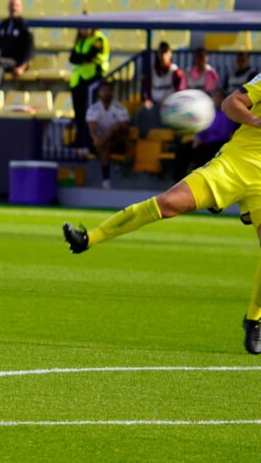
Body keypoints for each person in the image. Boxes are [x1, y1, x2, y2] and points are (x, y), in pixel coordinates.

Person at [62, 76, 261, 355]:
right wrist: (255, 121)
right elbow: (231, 104)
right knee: (167, 204)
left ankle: (254, 319)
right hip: (236, 164)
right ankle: (89, 238)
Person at [173, 88, 237, 180]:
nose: (215, 99)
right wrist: (198, 137)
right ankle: (178, 179)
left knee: (203, 153)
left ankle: (198, 179)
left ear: (224, 98)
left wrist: (205, 141)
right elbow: (202, 127)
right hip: (203, 142)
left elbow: (224, 134)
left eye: (218, 97)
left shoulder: (227, 114)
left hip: (217, 143)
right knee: (182, 149)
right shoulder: (209, 112)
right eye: (214, 96)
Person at [68, 25, 109, 151]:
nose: (83, 29)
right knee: (79, 114)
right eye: (81, 26)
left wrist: (82, 58)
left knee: (90, 113)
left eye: (86, 26)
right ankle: (79, 141)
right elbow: (73, 58)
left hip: (92, 80)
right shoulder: (80, 40)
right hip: (78, 81)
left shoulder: (99, 39)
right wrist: (83, 58)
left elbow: (90, 55)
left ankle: (89, 143)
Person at [85, 80, 130, 189]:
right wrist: (97, 139)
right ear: (99, 92)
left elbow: (124, 127)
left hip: (117, 143)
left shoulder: (120, 108)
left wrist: (102, 139)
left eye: (109, 90)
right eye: (103, 90)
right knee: (105, 146)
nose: (106, 93)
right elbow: (92, 126)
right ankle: (106, 180)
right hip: (99, 143)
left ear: (113, 92)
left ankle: (106, 179)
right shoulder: (93, 109)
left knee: (114, 129)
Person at [134, 41, 185, 135]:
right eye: (161, 52)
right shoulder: (152, 72)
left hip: (170, 105)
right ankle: (146, 139)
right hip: (154, 104)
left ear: (170, 54)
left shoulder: (175, 72)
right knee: (140, 113)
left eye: (165, 52)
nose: (163, 55)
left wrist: (169, 101)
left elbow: (180, 91)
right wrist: (147, 100)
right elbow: (148, 90)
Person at [0, 0, 33, 78]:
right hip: (3, 60)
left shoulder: (25, 26)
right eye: (12, 5)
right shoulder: (3, 25)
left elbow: (29, 50)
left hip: (16, 61)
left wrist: (22, 67)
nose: (14, 8)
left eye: (16, 5)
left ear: (21, 8)